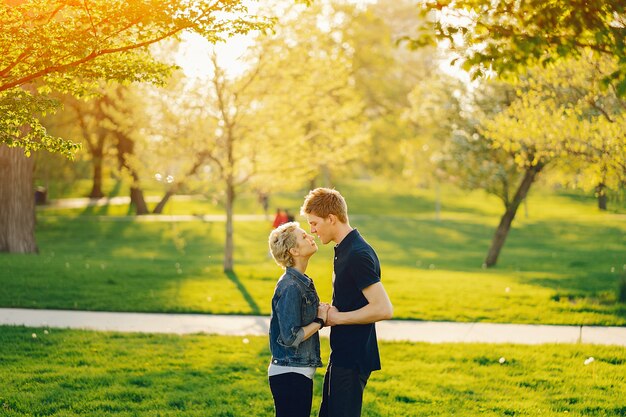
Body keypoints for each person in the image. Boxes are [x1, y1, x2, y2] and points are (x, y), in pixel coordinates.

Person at [300, 188, 393, 417]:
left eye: (314, 223)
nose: (311, 230)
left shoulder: (357, 254)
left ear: (331, 218)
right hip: (342, 353)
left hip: (353, 357)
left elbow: (383, 308)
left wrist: (337, 318)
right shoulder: (344, 248)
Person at [268, 221, 330, 417]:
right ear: (294, 250)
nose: (311, 236)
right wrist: (319, 321)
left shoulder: (302, 282)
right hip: (289, 374)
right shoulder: (290, 287)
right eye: (304, 236)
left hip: (296, 372)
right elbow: (291, 337)